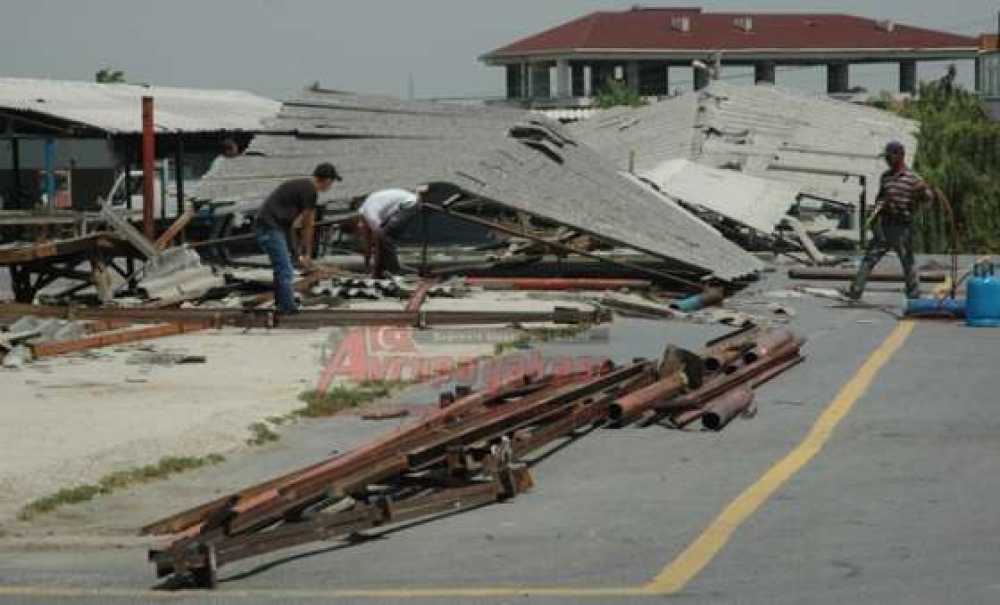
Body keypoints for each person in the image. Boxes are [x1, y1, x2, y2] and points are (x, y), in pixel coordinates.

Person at [846, 141, 936, 302]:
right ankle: (855, 290)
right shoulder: (885, 177)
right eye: (886, 157)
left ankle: (914, 295)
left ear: (900, 156)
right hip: (885, 225)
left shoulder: (913, 178)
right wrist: (875, 218)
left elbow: (928, 200)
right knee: (870, 258)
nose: (887, 160)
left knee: (907, 262)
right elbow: (880, 198)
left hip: (903, 227)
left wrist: (922, 194)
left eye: (890, 157)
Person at [255, 163, 341, 313]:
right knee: (285, 269)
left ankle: (281, 303)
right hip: (269, 227)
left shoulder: (302, 187)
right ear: (327, 180)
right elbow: (308, 225)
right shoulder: (310, 191)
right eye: (332, 182)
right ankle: (288, 310)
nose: (330, 186)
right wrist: (307, 253)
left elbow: (292, 226)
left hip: (272, 226)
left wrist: (297, 253)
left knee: (282, 268)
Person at [357, 188, 422, 278]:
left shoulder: (370, 215)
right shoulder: (371, 211)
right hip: (409, 204)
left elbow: (375, 240)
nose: (366, 234)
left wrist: (373, 269)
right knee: (386, 236)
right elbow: (368, 243)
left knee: (384, 236)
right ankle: (385, 270)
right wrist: (367, 263)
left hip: (409, 204)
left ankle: (394, 270)